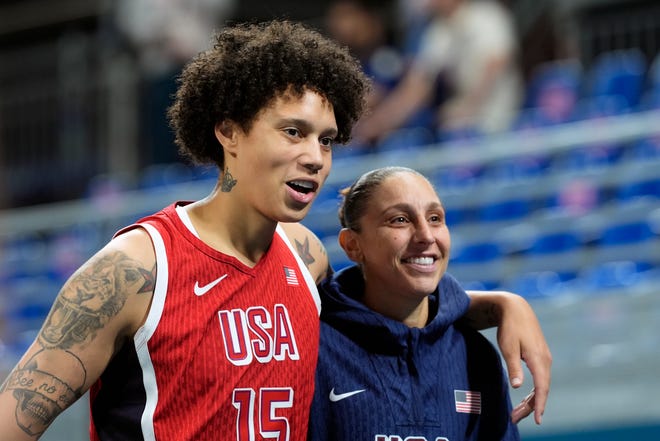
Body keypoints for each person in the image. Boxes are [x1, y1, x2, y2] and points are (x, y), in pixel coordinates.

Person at [0, 20, 547, 441]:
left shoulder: (305, 256)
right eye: (293, 132)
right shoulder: (136, 270)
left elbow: (386, 314)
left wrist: (499, 305)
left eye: (326, 140)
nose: (315, 157)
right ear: (229, 132)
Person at [308, 166, 526, 440]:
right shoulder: (313, 350)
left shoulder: (476, 356)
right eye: (399, 220)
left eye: (435, 218)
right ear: (352, 245)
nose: (426, 235)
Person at [355, 0, 524, 143]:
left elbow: (494, 65)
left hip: (501, 119)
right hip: (463, 127)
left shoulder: (487, 15)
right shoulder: (438, 30)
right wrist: (376, 125)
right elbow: (416, 87)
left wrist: (467, 108)